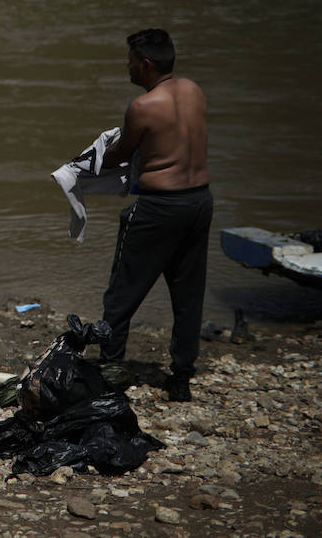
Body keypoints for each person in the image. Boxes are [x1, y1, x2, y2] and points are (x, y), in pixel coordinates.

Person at [98, 28, 212, 402]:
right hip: (199, 202)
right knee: (187, 293)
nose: (127, 67)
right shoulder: (194, 91)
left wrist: (98, 153)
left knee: (122, 293)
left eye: (130, 61)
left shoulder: (143, 106)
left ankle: (109, 372)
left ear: (146, 64)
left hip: (158, 208)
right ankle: (181, 377)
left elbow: (120, 154)